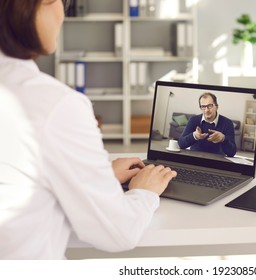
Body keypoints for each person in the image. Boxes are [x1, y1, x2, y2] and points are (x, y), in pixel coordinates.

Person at [0, 0, 176, 259]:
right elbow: (118, 231)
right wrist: (145, 192)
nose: (63, 14)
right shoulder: (55, 105)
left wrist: (97, 175)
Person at [178, 92, 237, 157]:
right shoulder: (193, 120)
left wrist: (223, 139)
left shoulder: (227, 123)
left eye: (209, 106)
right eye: (203, 106)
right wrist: (194, 136)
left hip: (217, 161)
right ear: (200, 108)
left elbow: (232, 153)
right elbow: (181, 144)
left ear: (216, 107)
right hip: (195, 159)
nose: (206, 110)